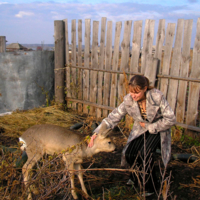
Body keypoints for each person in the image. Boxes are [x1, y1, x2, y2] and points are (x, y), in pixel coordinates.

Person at [88, 75, 176, 195]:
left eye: (137, 92)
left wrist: (150, 127)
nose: (133, 95)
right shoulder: (128, 100)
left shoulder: (157, 97)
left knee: (145, 154)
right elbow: (114, 117)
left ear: (145, 88)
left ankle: (150, 187)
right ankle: (136, 178)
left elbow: (171, 119)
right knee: (130, 153)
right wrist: (97, 133)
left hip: (158, 128)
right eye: (131, 92)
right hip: (140, 128)